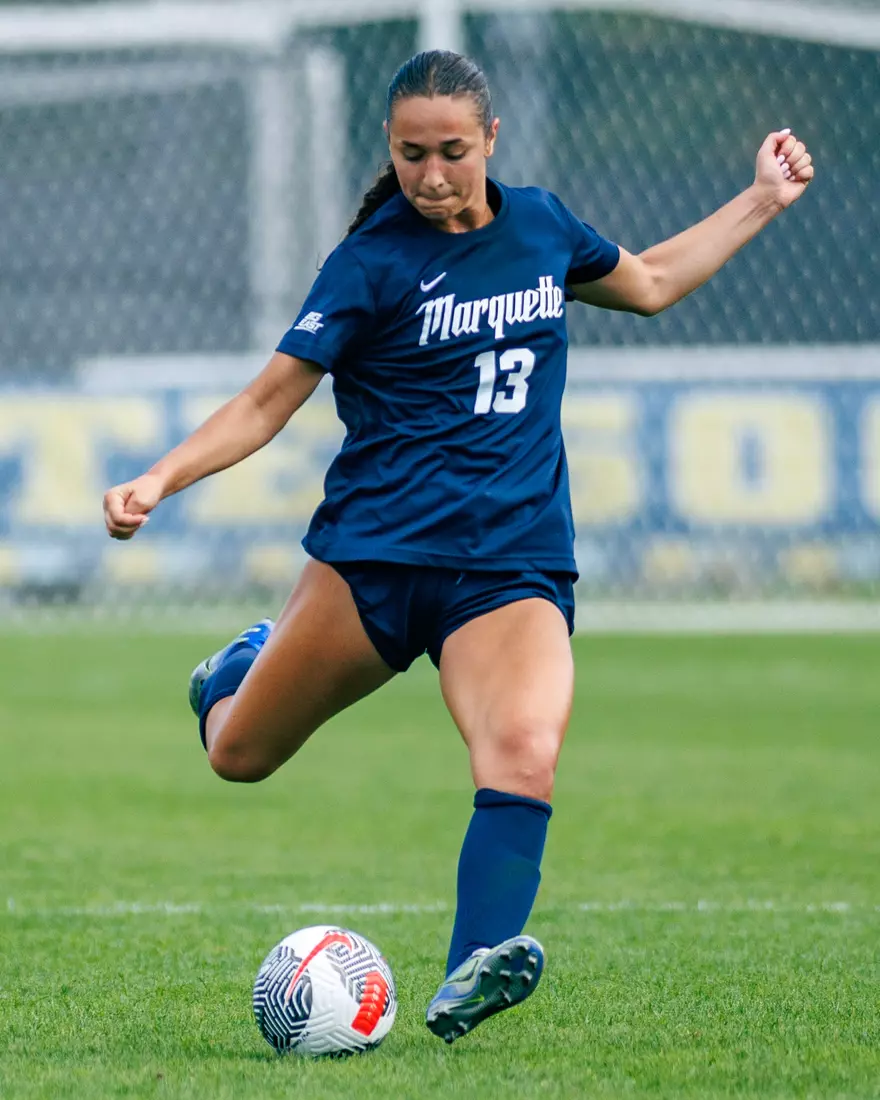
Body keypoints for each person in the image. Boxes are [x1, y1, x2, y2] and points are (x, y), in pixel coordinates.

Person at [103, 50, 813, 1043]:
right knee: (237, 753)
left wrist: (761, 199)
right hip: (376, 561)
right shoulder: (370, 262)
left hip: (511, 562)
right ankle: (235, 666)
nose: (430, 175)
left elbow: (648, 283)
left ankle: (468, 971)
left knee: (523, 751)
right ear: (388, 150)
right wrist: (158, 478)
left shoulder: (541, 227)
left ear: (490, 140)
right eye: (408, 155)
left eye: (449, 152)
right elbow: (268, 401)